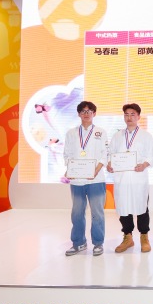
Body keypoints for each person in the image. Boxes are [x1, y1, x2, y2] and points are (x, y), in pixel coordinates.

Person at [63, 101, 108, 256]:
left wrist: (96, 170)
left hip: (96, 180)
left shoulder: (101, 132)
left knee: (97, 213)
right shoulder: (71, 133)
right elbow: (67, 154)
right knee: (77, 213)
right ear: (79, 114)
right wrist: (70, 169)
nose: (86, 114)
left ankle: (98, 243)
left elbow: (104, 155)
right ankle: (78, 243)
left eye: (89, 111)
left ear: (94, 113)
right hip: (77, 181)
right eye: (83, 111)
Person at [107, 103, 153, 253]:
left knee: (141, 207)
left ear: (138, 116)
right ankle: (128, 237)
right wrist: (109, 163)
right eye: (126, 114)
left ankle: (144, 237)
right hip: (121, 179)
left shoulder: (146, 136)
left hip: (138, 178)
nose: (129, 117)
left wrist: (144, 164)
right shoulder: (117, 136)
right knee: (123, 207)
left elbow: (151, 155)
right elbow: (110, 153)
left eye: (133, 114)